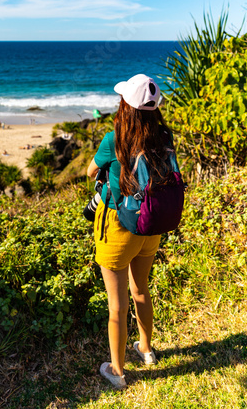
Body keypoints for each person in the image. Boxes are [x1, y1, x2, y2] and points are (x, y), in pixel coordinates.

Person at [87, 74, 173, 390]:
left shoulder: (114, 140)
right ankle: (146, 349)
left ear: (125, 106)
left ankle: (117, 371)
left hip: (120, 227)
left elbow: (90, 170)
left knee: (116, 304)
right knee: (140, 289)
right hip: (151, 224)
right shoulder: (165, 136)